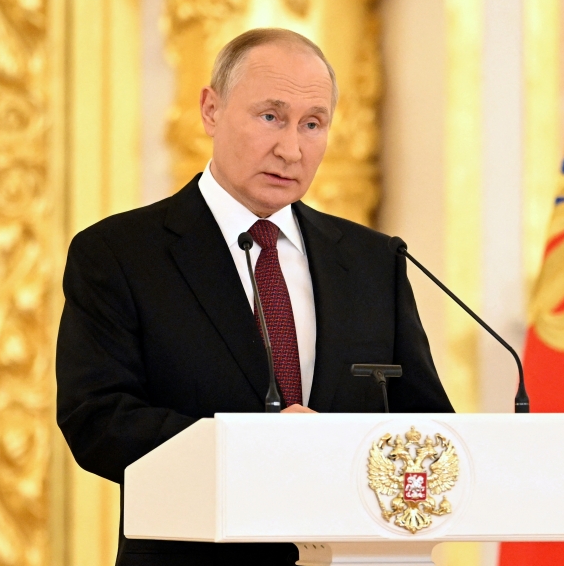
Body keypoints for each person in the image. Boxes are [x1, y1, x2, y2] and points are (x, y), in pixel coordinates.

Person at [55, 28, 454, 566]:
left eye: (312, 124)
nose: (291, 148)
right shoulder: (120, 254)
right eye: (270, 117)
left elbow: (423, 421)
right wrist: (249, 446)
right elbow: (97, 420)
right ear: (211, 110)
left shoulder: (372, 261)